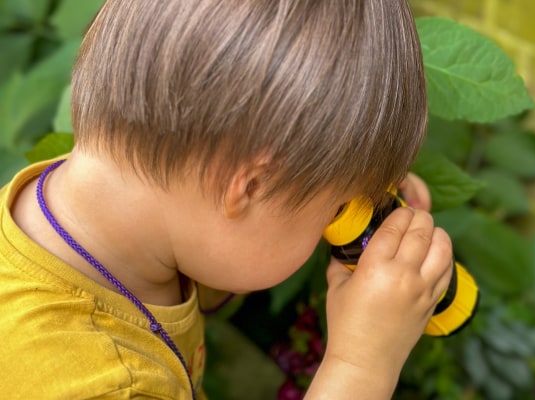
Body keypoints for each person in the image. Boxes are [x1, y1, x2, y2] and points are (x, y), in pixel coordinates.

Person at [0, 0, 453, 398]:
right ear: (251, 186)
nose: (338, 224)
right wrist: (362, 366)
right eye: (335, 210)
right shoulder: (104, 385)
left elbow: (218, 242)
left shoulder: (97, 211)